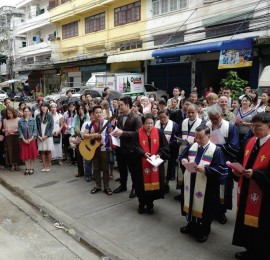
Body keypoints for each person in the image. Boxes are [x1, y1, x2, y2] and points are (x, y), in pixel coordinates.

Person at [179, 125, 228, 243]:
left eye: (201, 138)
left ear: (209, 136)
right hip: (191, 182)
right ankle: (191, 225)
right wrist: (183, 160)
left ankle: (204, 231)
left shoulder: (216, 150)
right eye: (196, 137)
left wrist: (207, 170)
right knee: (191, 203)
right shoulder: (192, 146)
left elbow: (222, 169)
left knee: (205, 209)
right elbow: (182, 155)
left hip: (207, 186)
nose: (198, 140)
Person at [232, 112, 270, 260]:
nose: (254, 130)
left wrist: (255, 174)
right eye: (253, 126)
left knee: (262, 224)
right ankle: (250, 249)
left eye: (258, 126)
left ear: (269, 127)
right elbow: (239, 159)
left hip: (264, 193)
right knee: (247, 221)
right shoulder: (250, 141)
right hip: (247, 187)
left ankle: (261, 253)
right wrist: (237, 170)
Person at [206, 105, 239, 224]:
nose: (213, 121)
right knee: (211, 187)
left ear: (221, 115)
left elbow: (234, 147)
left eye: (216, 118)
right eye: (211, 118)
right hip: (210, 161)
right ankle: (211, 209)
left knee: (224, 188)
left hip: (225, 162)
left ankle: (221, 212)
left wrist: (217, 147)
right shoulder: (207, 126)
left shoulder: (230, 127)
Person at [133, 113, 170, 214]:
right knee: (142, 186)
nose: (149, 126)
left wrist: (159, 154)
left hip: (155, 165)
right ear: (143, 123)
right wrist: (143, 153)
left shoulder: (159, 133)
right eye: (147, 123)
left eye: (151, 123)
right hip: (142, 165)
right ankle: (141, 204)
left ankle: (150, 205)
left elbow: (165, 146)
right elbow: (135, 147)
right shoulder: (137, 134)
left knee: (152, 188)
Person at [111, 96, 142, 198]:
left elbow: (138, 133)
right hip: (120, 147)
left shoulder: (136, 117)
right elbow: (119, 129)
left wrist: (123, 133)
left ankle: (134, 188)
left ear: (127, 105)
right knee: (122, 168)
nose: (119, 107)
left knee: (133, 170)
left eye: (121, 105)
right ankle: (123, 185)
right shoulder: (120, 117)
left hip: (131, 149)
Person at [83, 106, 113, 195]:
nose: (99, 114)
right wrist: (94, 135)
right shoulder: (90, 124)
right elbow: (85, 135)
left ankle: (106, 186)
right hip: (94, 149)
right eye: (96, 113)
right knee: (95, 168)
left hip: (105, 149)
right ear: (93, 114)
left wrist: (111, 146)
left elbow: (111, 135)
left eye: (100, 112)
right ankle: (98, 186)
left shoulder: (107, 123)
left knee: (105, 169)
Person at [155, 109, 179, 192]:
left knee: (169, 168)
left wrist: (168, 145)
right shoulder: (156, 124)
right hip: (158, 150)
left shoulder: (174, 125)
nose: (162, 119)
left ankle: (166, 183)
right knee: (158, 167)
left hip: (170, 150)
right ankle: (159, 183)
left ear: (168, 116)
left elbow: (176, 138)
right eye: (160, 117)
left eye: (164, 117)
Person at [71, 103, 90, 177]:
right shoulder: (76, 116)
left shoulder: (87, 116)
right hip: (78, 137)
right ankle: (80, 171)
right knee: (78, 156)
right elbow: (73, 126)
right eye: (79, 109)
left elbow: (88, 127)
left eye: (81, 108)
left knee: (87, 156)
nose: (80, 110)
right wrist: (73, 135)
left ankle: (88, 173)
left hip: (85, 137)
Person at [18, 106, 38, 175]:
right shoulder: (20, 120)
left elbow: (35, 130)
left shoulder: (33, 120)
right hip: (24, 140)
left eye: (27, 111)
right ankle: (27, 168)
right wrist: (23, 139)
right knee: (26, 156)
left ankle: (32, 168)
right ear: (23, 112)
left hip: (31, 140)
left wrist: (31, 138)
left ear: (30, 112)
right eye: (25, 111)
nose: (26, 113)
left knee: (32, 155)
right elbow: (20, 132)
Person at [36, 102, 54, 172]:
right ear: (40, 107)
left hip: (48, 136)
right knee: (42, 151)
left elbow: (51, 127)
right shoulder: (37, 116)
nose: (44, 108)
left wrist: (46, 136)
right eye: (42, 106)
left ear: (47, 108)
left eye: (45, 106)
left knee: (48, 151)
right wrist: (38, 136)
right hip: (40, 136)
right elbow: (36, 127)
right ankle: (44, 166)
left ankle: (49, 165)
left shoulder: (50, 116)